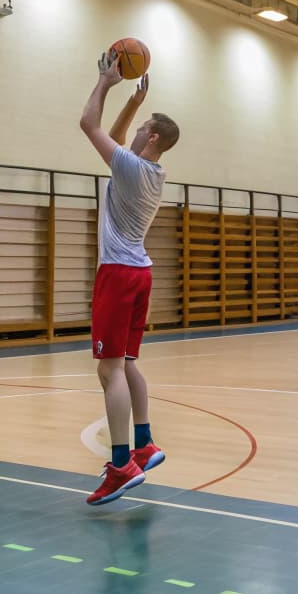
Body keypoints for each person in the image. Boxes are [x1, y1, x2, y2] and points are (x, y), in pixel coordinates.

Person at [79, 55, 179, 506]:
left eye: (142, 128)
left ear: (153, 137)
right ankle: (145, 442)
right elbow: (118, 137)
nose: (135, 132)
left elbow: (89, 124)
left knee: (109, 369)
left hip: (118, 273)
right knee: (129, 363)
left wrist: (105, 82)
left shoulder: (132, 168)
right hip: (140, 272)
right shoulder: (151, 171)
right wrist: (134, 102)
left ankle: (121, 464)